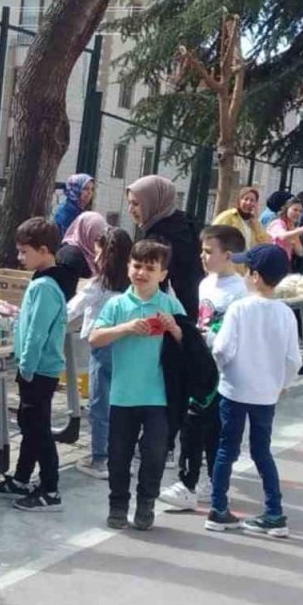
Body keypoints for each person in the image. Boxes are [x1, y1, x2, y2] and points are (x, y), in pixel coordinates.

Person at [205, 244, 303, 537]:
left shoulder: (239, 308)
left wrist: (222, 369)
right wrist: (282, 384)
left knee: (227, 449)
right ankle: (275, 512)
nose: (243, 273)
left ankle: (218, 508)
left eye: (246, 269)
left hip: (234, 389)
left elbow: (222, 348)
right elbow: (293, 359)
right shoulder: (286, 313)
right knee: (262, 451)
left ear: (256, 276)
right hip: (266, 395)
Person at [88, 239, 186, 531]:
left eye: (150, 268)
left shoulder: (169, 303)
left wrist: (174, 328)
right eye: (137, 266)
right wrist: (127, 328)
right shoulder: (117, 303)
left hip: (158, 395)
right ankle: (118, 505)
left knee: (155, 453)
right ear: (129, 267)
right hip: (122, 394)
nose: (142, 272)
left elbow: (190, 343)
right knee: (119, 455)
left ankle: (146, 503)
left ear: (162, 274)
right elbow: (95, 337)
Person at [0, 218, 70, 512]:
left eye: (24, 252)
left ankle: (51, 489)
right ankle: (21, 478)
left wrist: (27, 367)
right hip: (35, 369)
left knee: (39, 430)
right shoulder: (44, 281)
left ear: (44, 250)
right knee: (30, 425)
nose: (19, 258)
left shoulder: (45, 286)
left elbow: (37, 332)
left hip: (39, 370)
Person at [158, 225, 247, 511]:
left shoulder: (240, 292)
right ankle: (194, 481)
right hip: (200, 364)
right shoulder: (205, 283)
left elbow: (234, 336)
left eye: (209, 251)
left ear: (228, 255)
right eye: (202, 250)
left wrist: (211, 342)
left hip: (222, 369)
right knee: (193, 423)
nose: (203, 256)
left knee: (207, 427)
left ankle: (193, 484)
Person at [127, 174, 202, 468]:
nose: (133, 209)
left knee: (162, 381)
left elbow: (153, 286)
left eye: (136, 203)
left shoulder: (159, 238)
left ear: (152, 202)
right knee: (173, 381)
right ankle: (167, 444)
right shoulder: (185, 223)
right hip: (184, 316)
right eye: (130, 204)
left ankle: (163, 446)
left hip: (164, 318)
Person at [69, 228, 133, 480]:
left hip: (102, 347)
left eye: (98, 254)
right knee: (121, 404)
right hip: (127, 348)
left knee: (99, 404)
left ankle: (100, 458)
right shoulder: (132, 286)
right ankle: (120, 455)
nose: (94, 260)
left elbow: (72, 309)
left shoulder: (99, 284)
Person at [56, 211, 109, 297]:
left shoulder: (93, 255)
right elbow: (65, 295)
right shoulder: (70, 257)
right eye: (96, 237)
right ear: (87, 232)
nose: (99, 242)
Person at [266, 197, 303, 264]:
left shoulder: (293, 228)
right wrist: (301, 229)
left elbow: (301, 252)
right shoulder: (278, 223)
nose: (298, 213)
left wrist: (295, 233)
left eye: (300, 211)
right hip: (271, 262)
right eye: (295, 210)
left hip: (284, 264)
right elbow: (282, 236)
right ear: (287, 209)